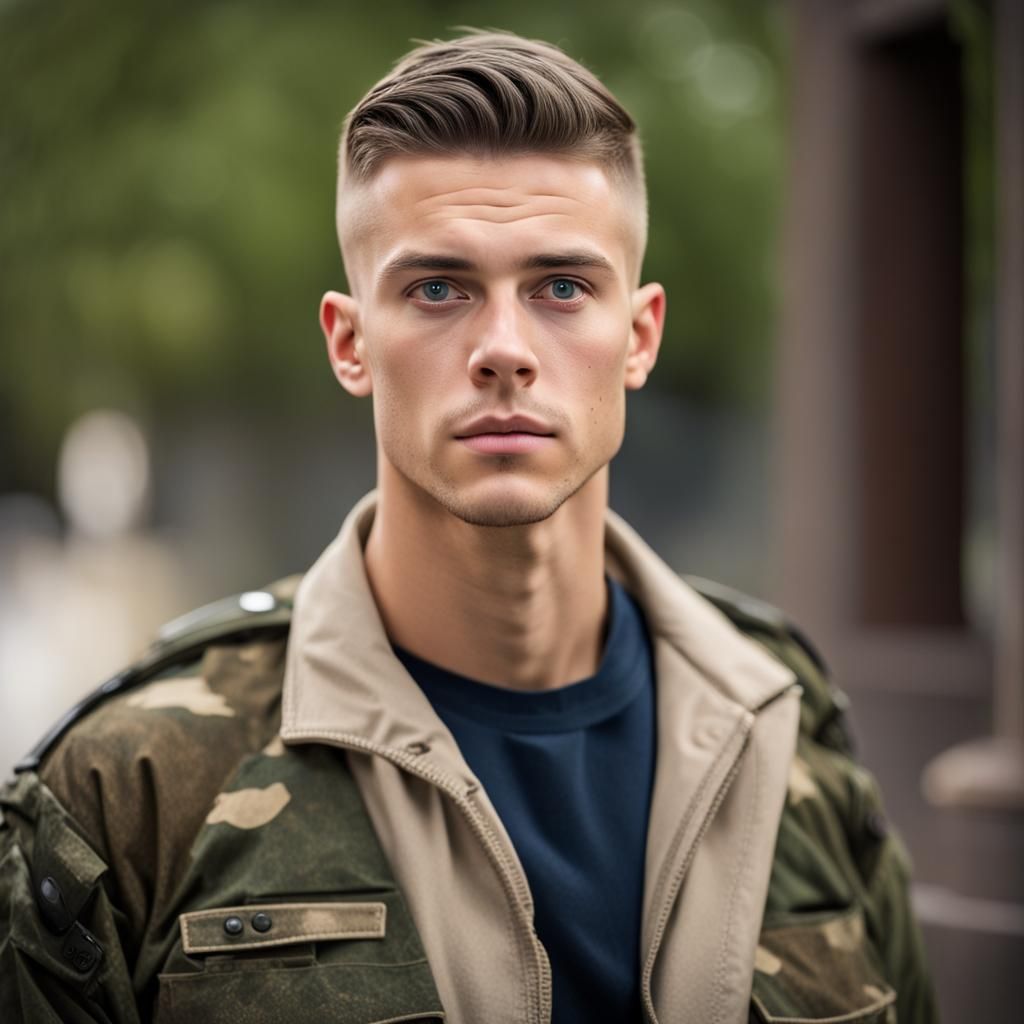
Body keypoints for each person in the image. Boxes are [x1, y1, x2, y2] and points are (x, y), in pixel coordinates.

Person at [0, 29, 936, 1024]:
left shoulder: (791, 742)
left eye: (562, 287)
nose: (502, 349)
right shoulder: (131, 788)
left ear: (640, 335)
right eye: (437, 288)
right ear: (350, 342)